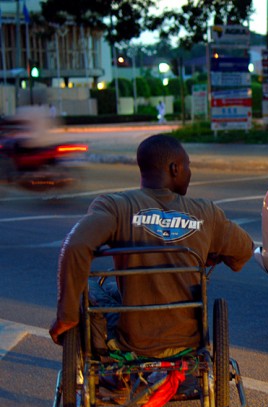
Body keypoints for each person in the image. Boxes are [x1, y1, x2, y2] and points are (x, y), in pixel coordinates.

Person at [49, 134, 253, 358]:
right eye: (188, 167)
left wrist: (66, 314)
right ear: (175, 168)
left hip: (134, 341)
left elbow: (75, 245)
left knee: (89, 285)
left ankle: (109, 367)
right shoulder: (207, 212)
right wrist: (210, 254)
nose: (190, 173)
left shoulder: (116, 205)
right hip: (189, 339)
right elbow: (244, 250)